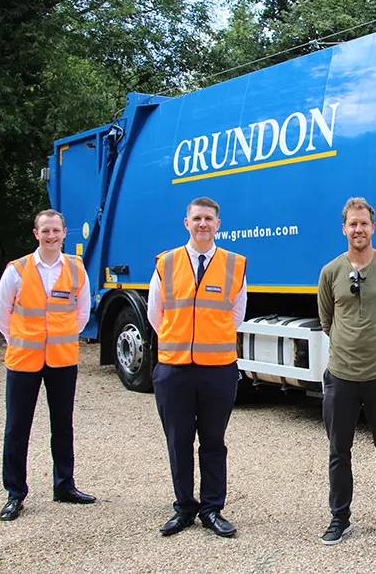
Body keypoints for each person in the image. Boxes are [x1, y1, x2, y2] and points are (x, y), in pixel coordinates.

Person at [147, 196, 247, 538]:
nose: (202, 224)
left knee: (214, 441)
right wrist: (179, 341)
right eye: (197, 218)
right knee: (178, 441)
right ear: (186, 223)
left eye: (209, 218)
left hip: (217, 368)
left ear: (218, 224)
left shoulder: (234, 264)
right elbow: (155, 313)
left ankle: (212, 509)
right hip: (174, 368)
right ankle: (184, 508)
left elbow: (237, 314)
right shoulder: (167, 262)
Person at [316, 197, 376, 545]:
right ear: (344, 228)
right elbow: (327, 320)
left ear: (373, 227)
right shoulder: (330, 272)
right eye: (352, 224)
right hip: (341, 378)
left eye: (364, 223)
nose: (358, 229)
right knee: (339, 451)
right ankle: (339, 519)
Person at [0, 209, 95, 521]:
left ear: (65, 233)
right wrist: (23, 338)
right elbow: (2, 313)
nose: (51, 236)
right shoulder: (18, 270)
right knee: (17, 426)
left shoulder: (76, 269)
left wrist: (57, 338)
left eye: (56, 231)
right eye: (45, 231)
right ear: (36, 234)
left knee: (62, 424)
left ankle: (64, 484)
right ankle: (15, 493)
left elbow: (82, 313)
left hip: (62, 360)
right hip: (24, 360)